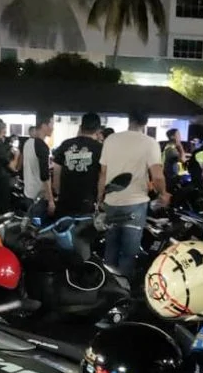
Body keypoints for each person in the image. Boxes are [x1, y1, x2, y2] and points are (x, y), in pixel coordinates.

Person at [97, 109, 169, 276]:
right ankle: (125, 291)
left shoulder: (111, 140)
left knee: (111, 248)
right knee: (128, 253)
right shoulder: (149, 143)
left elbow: (103, 174)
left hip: (111, 202)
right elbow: (157, 175)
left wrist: (100, 196)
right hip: (135, 205)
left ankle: (109, 287)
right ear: (145, 122)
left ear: (129, 120)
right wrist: (163, 193)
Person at [53, 112, 104, 216]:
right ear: (98, 130)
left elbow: (56, 171)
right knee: (84, 231)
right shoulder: (100, 148)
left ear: (81, 127)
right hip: (87, 203)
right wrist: (99, 199)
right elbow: (103, 175)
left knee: (64, 231)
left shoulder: (65, 144)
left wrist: (58, 193)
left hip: (65, 200)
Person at [22, 112, 56, 219]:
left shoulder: (27, 143)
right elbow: (45, 176)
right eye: (51, 124)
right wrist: (51, 200)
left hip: (28, 193)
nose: (53, 128)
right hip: (38, 197)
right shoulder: (42, 146)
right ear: (44, 125)